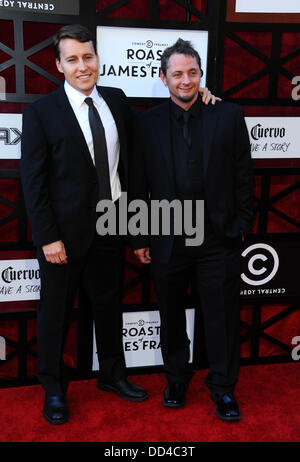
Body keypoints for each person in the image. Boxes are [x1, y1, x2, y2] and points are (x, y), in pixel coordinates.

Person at [20, 25, 217, 425]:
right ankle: (54, 389)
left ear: (98, 59)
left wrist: (204, 97)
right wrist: (48, 238)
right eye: (72, 59)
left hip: (111, 227)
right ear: (59, 65)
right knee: (56, 314)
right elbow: (33, 182)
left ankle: (112, 376)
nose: (82, 66)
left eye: (88, 57)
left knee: (108, 309)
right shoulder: (40, 113)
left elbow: (163, 123)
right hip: (63, 236)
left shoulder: (116, 99)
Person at [130, 38, 253, 421]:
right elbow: (138, 183)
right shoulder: (145, 122)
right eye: (178, 74)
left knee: (221, 318)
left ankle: (223, 388)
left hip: (218, 238)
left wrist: (241, 226)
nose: (186, 80)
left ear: (201, 77)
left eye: (192, 73)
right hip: (167, 238)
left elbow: (243, 175)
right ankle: (177, 378)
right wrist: (139, 236)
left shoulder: (228, 115)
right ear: (163, 78)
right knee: (170, 315)